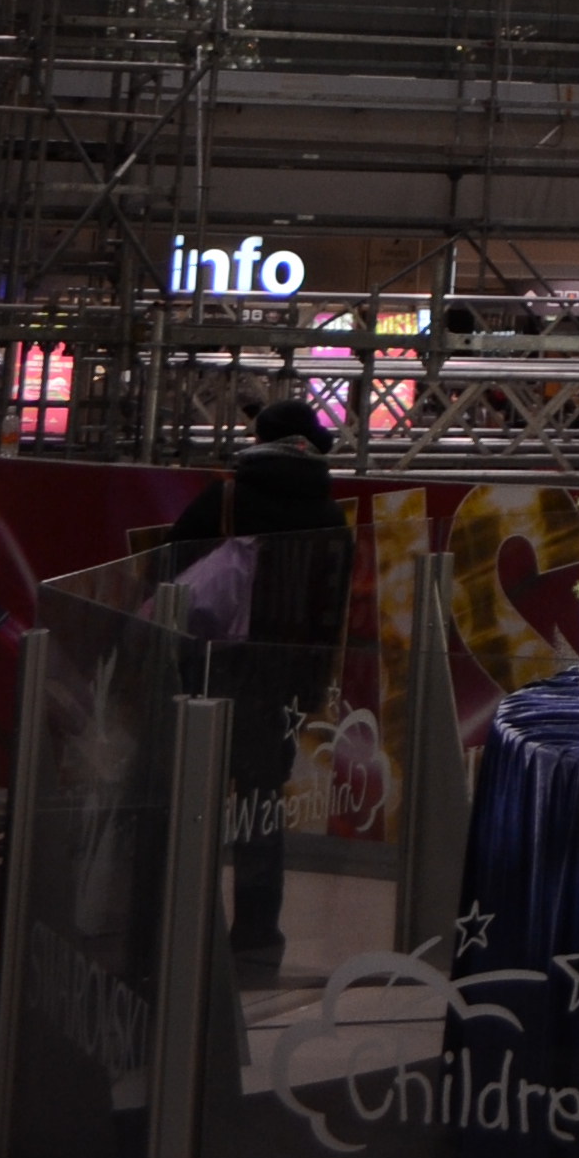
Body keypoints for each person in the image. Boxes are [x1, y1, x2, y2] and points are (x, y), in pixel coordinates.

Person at [173, 401, 352, 972]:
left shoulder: (224, 499)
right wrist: (309, 686)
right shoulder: (329, 517)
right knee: (259, 811)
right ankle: (256, 939)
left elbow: (167, 576)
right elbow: (332, 617)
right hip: (281, 686)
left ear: (258, 439)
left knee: (186, 798)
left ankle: (178, 926)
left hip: (207, 671)